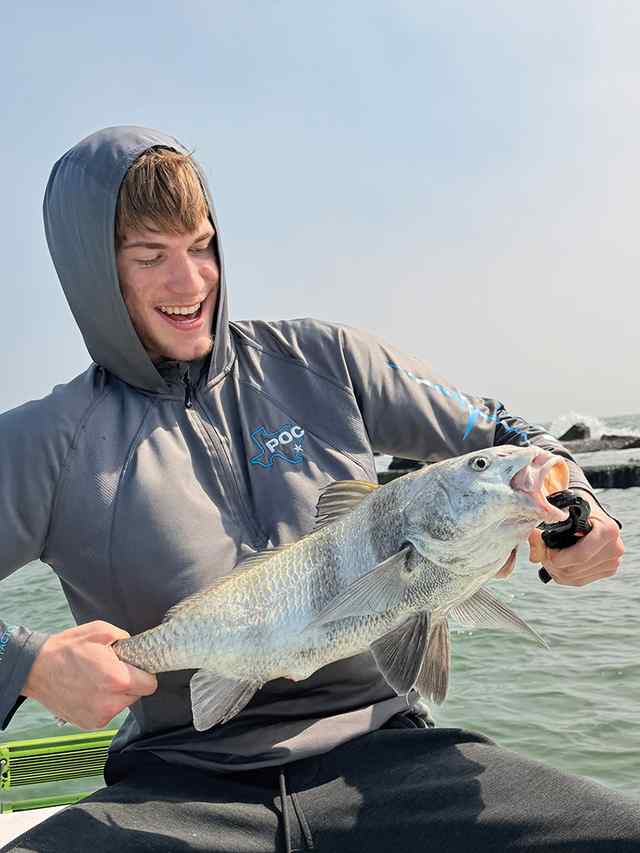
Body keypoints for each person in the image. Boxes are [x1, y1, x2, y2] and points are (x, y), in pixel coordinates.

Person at [0, 126, 637, 853]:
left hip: (387, 758)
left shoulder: (325, 359)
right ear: (90, 272)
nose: (191, 283)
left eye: (202, 246)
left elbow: (508, 438)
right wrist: (29, 664)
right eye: (150, 257)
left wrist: (577, 513)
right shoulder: (43, 441)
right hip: (176, 786)